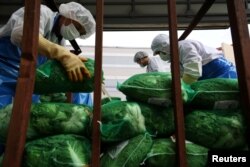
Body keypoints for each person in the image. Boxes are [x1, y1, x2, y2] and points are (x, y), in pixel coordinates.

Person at [0, 2, 96, 108]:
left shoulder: (59, 41)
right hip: (3, 70)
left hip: (24, 78)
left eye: (80, 33)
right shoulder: (42, 12)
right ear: (69, 15)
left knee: (21, 114)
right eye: (77, 28)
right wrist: (63, 54)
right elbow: (22, 35)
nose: (76, 33)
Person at [151, 34, 237, 84]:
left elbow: (193, 71)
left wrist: (183, 87)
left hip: (218, 68)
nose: (160, 56)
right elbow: (181, 75)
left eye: (159, 52)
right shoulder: (175, 59)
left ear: (164, 47)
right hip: (207, 74)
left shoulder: (184, 46)